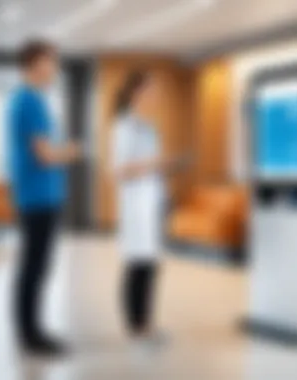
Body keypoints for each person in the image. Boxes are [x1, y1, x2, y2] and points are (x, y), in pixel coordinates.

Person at [7, 40, 81, 356]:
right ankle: (31, 336)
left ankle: (31, 332)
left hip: (39, 196)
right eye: (52, 62)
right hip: (38, 197)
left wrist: (60, 150)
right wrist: (72, 152)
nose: (55, 68)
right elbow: (45, 155)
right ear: (36, 63)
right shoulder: (30, 100)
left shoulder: (25, 99)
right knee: (34, 268)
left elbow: (44, 148)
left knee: (35, 266)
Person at [112, 71, 189, 351]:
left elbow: (150, 167)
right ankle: (135, 327)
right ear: (136, 93)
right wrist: (154, 162)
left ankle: (147, 324)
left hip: (153, 202)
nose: (156, 97)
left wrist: (164, 166)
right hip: (135, 207)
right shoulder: (124, 127)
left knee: (152, 266)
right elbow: (121, 171)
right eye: (151, 91)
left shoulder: (149, 127)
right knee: (138, 266)